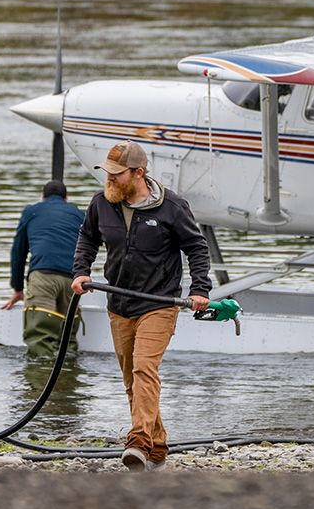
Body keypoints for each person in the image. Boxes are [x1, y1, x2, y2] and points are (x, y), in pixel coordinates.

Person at [71, 140, 211, 472]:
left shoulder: (172, 207)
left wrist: (200, 288)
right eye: (107, 172)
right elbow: (88, 238)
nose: (110, 179)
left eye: (117, 174)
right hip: (119, 302)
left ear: (138, 173)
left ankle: (137, 441)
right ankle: (157, 447)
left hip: (159, 303)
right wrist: (80, 271)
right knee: (132, 379)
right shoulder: (101, 203)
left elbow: (196, 247)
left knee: (144, 368)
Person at [2, 180, 85, 358]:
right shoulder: (78, 213)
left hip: (43, 277)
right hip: (73, 280)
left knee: (40, 340)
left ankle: (39, 380)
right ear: (66, 198)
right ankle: (68, 379)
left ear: (42, 197)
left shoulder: (32, 211)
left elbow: (18, 252)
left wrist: (17, 289)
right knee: (67, 342)